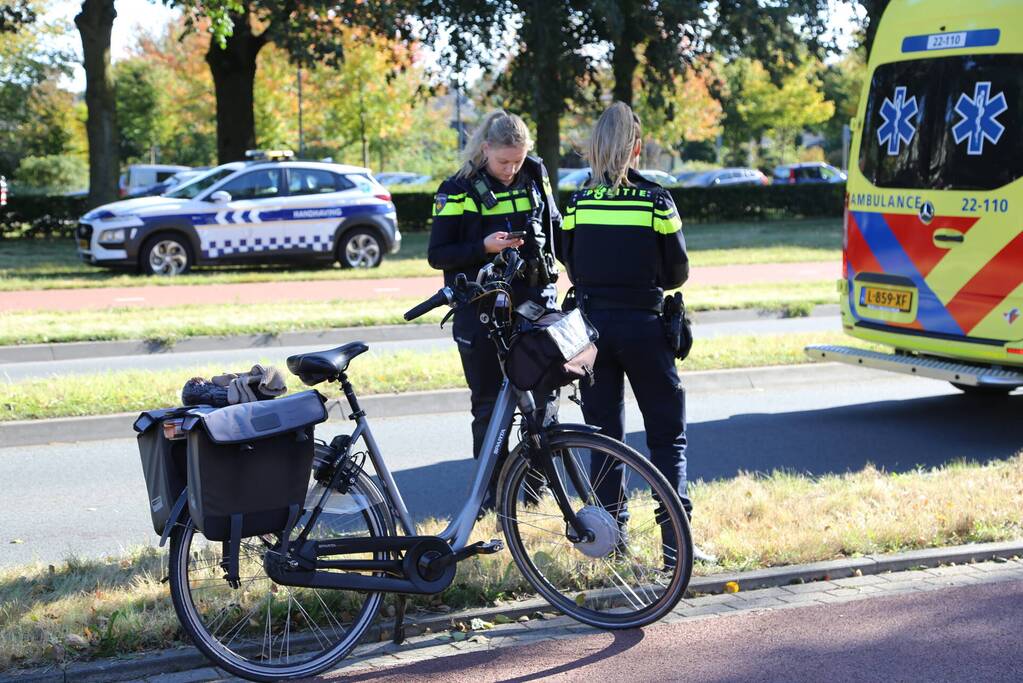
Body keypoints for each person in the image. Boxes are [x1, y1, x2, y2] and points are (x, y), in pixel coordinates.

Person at [556, 101, 714, 566]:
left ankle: (612, 540)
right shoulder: (656, 201)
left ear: (593, 150)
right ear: (638, 149)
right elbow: (678, 272)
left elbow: (570, 261)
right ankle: (675, 546)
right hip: (646, 328)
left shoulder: (577, 202)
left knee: (604, 438)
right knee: (667, 438)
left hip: (593, 332)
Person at [428, 110, 561, 512]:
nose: (511, 169)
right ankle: (493, 500)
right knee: (488, 407)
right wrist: (483, 247)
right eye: (504, 161)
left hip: (534, 305)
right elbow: (438, 255)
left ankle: (537, 492)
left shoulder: (535, 175)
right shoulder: (456, 189)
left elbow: (553, 226)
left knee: (544, 400)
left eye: (518, 160)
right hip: (481, 312)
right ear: (485, 149)